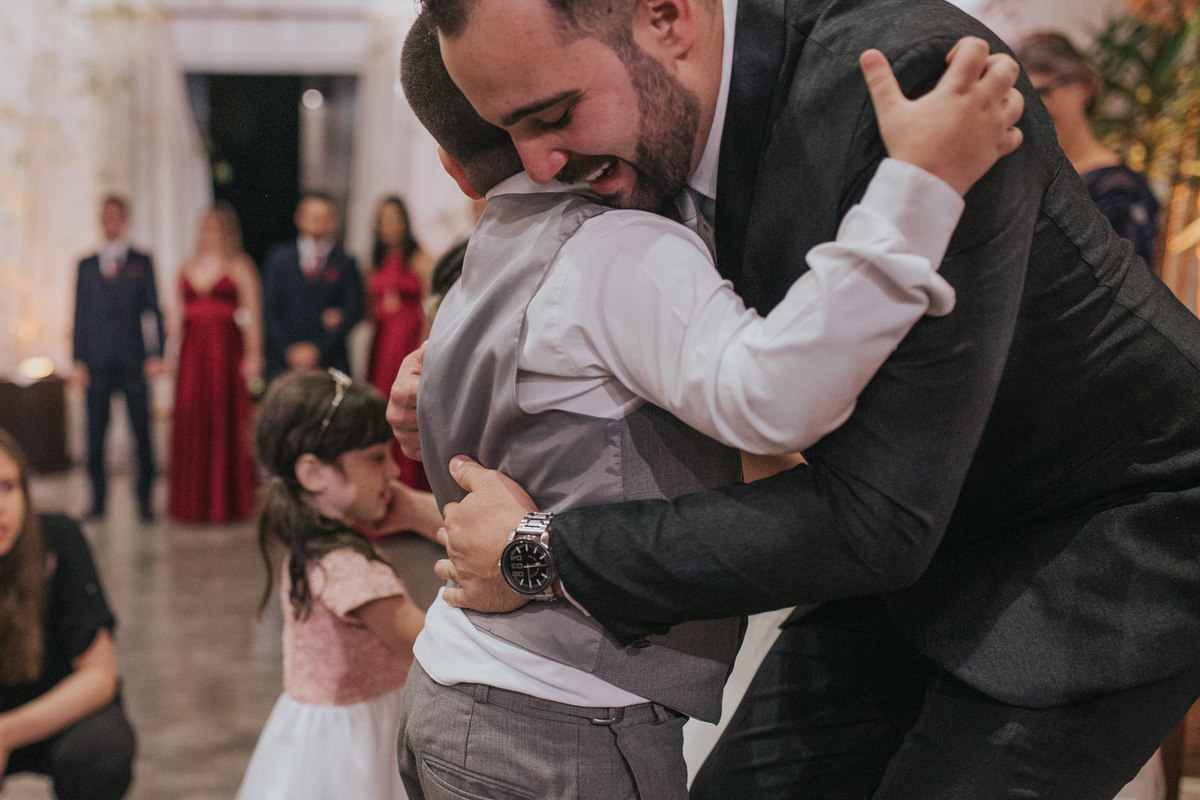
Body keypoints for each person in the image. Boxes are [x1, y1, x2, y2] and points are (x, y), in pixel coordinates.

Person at [394, 0, 1200, 797]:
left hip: (1094, 539)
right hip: (896, 544)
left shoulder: (918, 94)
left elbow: (869, 509)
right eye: (510, 133)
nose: (537, 166)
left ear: (666, 18)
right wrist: (466, 361)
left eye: (557, 115)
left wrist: (538, 552)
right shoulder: (639, 124)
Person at [234, 370, 424, 800]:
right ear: (314, 474)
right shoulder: (348, 569)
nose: (394, 471)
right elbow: (427, 646)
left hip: (313, 733)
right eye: (377, 458)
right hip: (355, 747)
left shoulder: (312, 548)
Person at [0, 429, 136, 799]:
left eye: (7, 486)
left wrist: (7, 732)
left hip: (55, 713)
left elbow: (99, 677)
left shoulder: (58, 537)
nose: (0, 506)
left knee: (100, 753)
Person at [1016, 31, 1160, 266]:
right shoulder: (1022, 178)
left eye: (1042, 93)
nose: (1033, 110)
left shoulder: (1119, 190)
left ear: (1084, 87)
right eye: (1023, 98)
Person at [72, 194, 165, 523]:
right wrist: (78, 360)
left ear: (124, 220)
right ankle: (98, 501)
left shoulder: (141, 261)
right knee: (95, 435)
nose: (109, 220)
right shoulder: (86, 264)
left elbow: (154, 311)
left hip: (133, 361)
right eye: (104, 215)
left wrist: (157, 354)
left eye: (115, 215)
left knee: (142, 433)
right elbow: (80, 316)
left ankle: (144, 501)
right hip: (97, 363)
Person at [168, 202, 262, 523]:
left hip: (225, 354)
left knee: (225, 420)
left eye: (216, 229)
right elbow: (176, 315)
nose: (209, 235)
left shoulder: (239, 267)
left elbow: (250, 314)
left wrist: (253, 354)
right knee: (192, 417)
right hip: (192, 356)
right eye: (205, 228)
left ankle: (227, 502)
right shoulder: (185, 267)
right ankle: (192, 503)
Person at [366, 196, 433, 492]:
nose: (389, 225)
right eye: (384, 219)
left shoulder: (420, 260)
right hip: (382, 346)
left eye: (394, 218)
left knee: (410, 409)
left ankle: (415, 490)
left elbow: (431, 307)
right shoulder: (375, 262)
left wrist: (425, 348)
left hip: (409, 341)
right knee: (384, 410)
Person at [262, 192, 364, 380]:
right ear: (299, 218)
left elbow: (353, 310)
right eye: (312, 216)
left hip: (330, 361)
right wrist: (289, 350)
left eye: (324, 217)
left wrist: (318, 349)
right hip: (284, 362)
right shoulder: (279, 259)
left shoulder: (345, 262)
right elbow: (269, 310)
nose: (318, 222)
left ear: (333, 221)